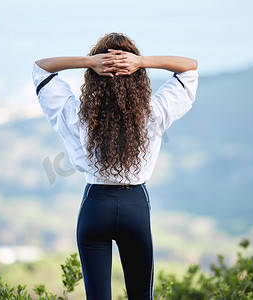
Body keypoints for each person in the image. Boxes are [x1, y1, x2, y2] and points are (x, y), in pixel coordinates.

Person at [33, 33, 198, 300]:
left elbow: (41, 67)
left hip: (95, 207)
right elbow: (189, 67)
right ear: (137, 77)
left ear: (93, 76)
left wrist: (90, 62)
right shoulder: (152, 114)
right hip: (135, 206)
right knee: (141, 296)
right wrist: (141, 61)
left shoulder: (77, 116)